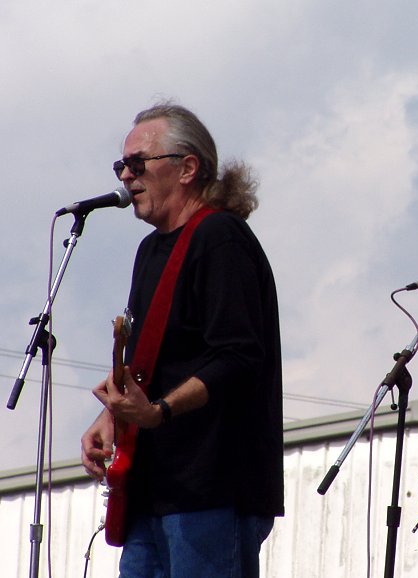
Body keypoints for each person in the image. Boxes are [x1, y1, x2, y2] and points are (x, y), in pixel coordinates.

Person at [80, 102, 284, 578]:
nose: (127, 177)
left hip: (210, 489)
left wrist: (159, 411)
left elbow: (237, 356)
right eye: (122, 166)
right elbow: (153, 360)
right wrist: (111, 414)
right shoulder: (151, 250)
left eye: (138, 163)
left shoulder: (220, 237)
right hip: (152, 489)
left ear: (187, 167)